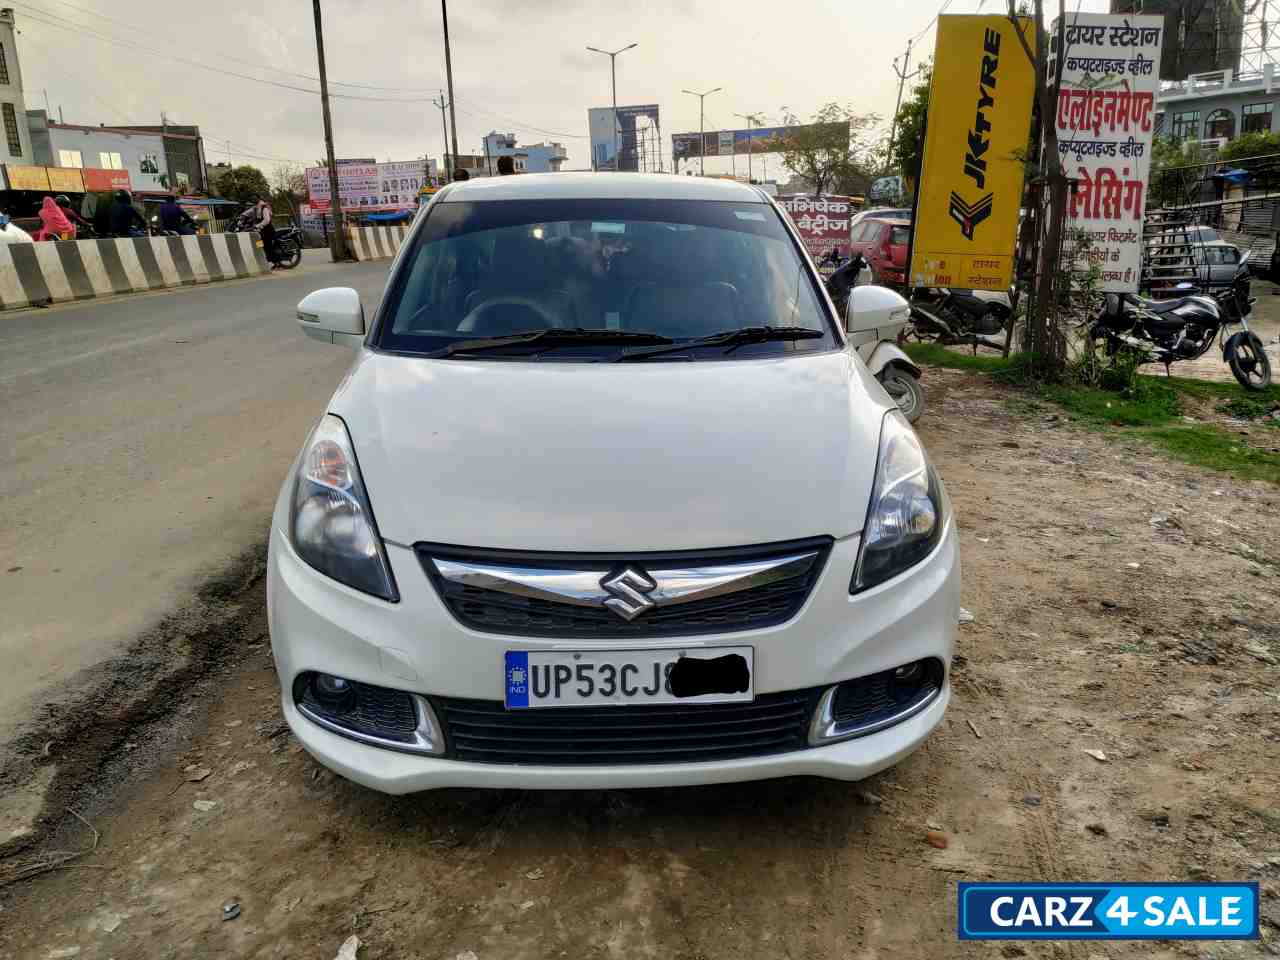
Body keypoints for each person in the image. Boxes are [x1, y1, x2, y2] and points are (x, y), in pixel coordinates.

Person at [251, 197, 278, 267]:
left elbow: (267, 220)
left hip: (268, 231)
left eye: (255, 202)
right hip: (262, 231)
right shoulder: (257, 209)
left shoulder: (264, 208)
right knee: (259, 244)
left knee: (267, 247)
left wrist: (258, 225)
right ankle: (265, 260)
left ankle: (275, 262)